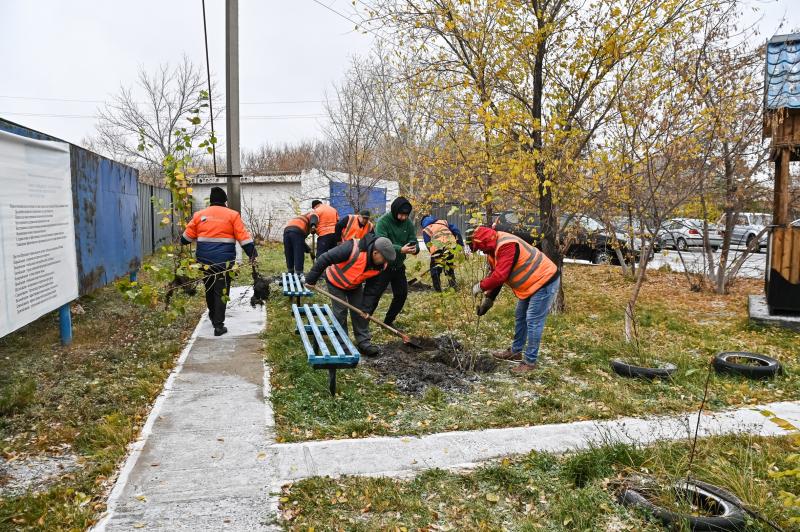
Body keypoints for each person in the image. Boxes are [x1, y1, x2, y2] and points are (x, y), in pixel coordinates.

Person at [467, 225, 560, 373]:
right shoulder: (493, 249)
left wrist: (480, 286)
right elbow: (497, 277)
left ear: (485, 242)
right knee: (520, 315)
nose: (481, 251)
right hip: (531, 283)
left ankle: (529, 362)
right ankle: (516, 351)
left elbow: (499, 276)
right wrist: (488, 301)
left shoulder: (506, 246)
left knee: (533, 320)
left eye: (479, 248)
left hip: (545, 279)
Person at [181, 186, 257, 336]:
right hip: (224, 263)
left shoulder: (199, 215)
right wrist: (252, 254)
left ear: (210, 200)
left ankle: (212, 315)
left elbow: (185, 239)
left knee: (209, 288)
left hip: (204, 261)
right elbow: (243, 237)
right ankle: (218, 325)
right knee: (221, 290)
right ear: (225, 201)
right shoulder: (232, 215)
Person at [304, 234, 396, 357]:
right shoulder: (352, 248)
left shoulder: (380, 266)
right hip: (335, 281)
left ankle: (364, 342)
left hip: (354, 285)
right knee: (340, 311)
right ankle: (342, 343)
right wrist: (311, 279)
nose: (385, 262)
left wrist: (366, 309)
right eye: (384, 258)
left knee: (360, 312)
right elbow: (325, 258)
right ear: (375, 252)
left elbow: (372, 290)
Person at [362, 197, 419, 327]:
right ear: (394, 211)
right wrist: (400, 249)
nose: (403, 218)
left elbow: (412, 238)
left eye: (406, 215)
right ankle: (363, 323)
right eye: (401, 214)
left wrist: (415, 248)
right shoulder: (384, 222)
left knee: (401, 294)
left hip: (398, 266)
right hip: (383, 265)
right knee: (374, 295)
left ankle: (388, 322)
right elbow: (381, 243)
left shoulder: (408, 223)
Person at [420, 215, 464, 292]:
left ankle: (438, 290)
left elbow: (428, 243)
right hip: (450, 245)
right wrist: (460, 244)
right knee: (449, 266)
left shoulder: (426, 229)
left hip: (437, 248)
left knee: (435, 270)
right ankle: (453, 286)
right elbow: (456, 230)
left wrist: (433, 255)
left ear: (423, 223)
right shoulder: (443, 222)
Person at [283, 211, 318, 275]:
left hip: (286, 231)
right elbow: (314, 217)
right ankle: (299, 273)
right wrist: (313, 226)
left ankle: (290, 271)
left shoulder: (299, 218)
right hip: (297, 231)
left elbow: (301, 243)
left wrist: (310, 250)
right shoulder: (312, 213)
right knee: (298, 252)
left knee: (289, 252)